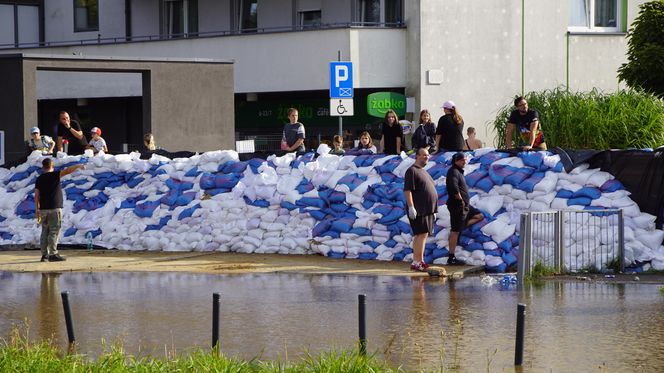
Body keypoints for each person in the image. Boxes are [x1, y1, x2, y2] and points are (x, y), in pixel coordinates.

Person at [35, 158, 85, 262]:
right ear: (52, 166)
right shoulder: (54, 175)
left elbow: (36, 195)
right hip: (54, 208)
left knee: (45, 231)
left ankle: (44, 255)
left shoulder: (39, 179)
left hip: (43, 209)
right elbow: (67, 171)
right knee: (54, 230)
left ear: (43, 167)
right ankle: (53, 254)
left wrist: (37, 209)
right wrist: (77, 166)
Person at [445, 152, 484, 265]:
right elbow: (454, 188)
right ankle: (451, 257)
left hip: (465, 206)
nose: (464, 162)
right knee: (455, 231)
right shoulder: (453, 172)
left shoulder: (459, 172)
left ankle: (460, 227)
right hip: (457, 206)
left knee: (479, 216)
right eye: (462, 160)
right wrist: (461, 200)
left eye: (465, 160)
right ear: (456, 161)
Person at [404, 148, 438, 272]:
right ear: (417, 156)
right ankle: (418, 261)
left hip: (427, 209)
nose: (426, 157)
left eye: (428, 155)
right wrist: (411, 206)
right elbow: (408, 190)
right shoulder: (411, 171)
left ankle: (418, 260)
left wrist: (433, 210)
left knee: (422, 234)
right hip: (419, 208)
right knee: (421, 234)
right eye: (423, 155)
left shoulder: (424, 172)